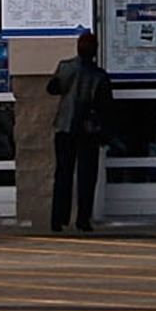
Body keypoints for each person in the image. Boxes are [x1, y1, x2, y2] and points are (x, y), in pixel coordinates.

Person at [45, 40, 116, 232]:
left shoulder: (65, 67)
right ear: (95, 52)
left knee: (63, 173)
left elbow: (52, 89)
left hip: (65, 126)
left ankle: (58, 218)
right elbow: (105, 106)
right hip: (88, 130)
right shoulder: (99, 76)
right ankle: (83, 219)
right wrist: (106, 132)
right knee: (87, 176)